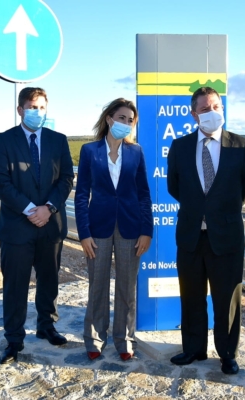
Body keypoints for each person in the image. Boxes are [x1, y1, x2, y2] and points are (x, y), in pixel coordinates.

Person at [167, 87, 245, 374]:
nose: (212, 113)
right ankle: (193, 349)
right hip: (191, 235)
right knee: (191, 295)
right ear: (194, 114)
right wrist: (201, 210)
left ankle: (228, 353)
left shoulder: (241, 147)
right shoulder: (180, 147)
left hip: (227, 236)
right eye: (205, 109)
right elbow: (175, 187)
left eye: (216, 106)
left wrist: (219, 211)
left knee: (227, 298)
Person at [0, 87, 74, 364]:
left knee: (49, 279)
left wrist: (48, 209)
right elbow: (0, 182)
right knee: (15, 284)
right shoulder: (3, 141)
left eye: (40, 107)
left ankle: (46, 326)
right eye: (31, 106)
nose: (36, 112)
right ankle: (14, 339)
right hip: (17, 226)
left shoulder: (58, 141)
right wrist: (30, 210)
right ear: (20, 110)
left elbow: (66, 180)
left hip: (50, 225)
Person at [74, 98, 153, 361]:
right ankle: (95, 338)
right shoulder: (89, 151)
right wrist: (83, 233)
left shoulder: (136, 152)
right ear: (109, 119)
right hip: (97, 229)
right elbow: (82, 194)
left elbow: (144, 194)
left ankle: (124, 339)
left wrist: (147, 231)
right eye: (122, 118)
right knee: (97, 285)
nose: (126, 124)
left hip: (131, 228)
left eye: (130, 121)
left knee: (127, 287)